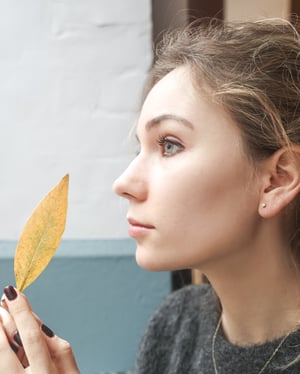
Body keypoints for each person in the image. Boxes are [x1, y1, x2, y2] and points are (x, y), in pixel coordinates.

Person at [1, 17, 300, 373]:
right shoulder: (175, 326)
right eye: (138, 150)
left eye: (169, 145)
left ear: (276, 180)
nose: (123, 183)